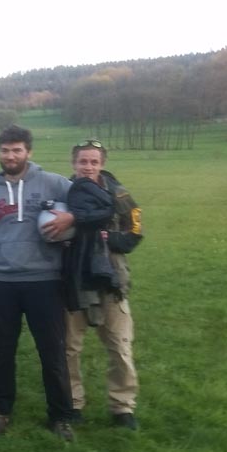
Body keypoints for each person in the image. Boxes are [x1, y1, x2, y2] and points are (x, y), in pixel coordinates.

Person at [0, 125, 77, 441]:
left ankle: (61, 416)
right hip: (0, 284)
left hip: (45, 282)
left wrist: (72, 218)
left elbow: (87, 203)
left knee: (52, 353)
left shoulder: (53, 183)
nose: (10, 156)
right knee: (1, 352)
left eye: (17, 150)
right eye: (5, 150)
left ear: (29, 152)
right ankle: (0, 411)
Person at [63, 139, 143, 429]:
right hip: (73, 280)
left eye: (94, 162)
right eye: (83, 161)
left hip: (111, 281)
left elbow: (135, 232)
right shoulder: (64, 193)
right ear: (74, 163)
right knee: (69, 349)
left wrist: (110, 239)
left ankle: (122, 407)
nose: (88, 167)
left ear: (102, 164)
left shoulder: (119, 194)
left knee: (120, 347)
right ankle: (73, 403)